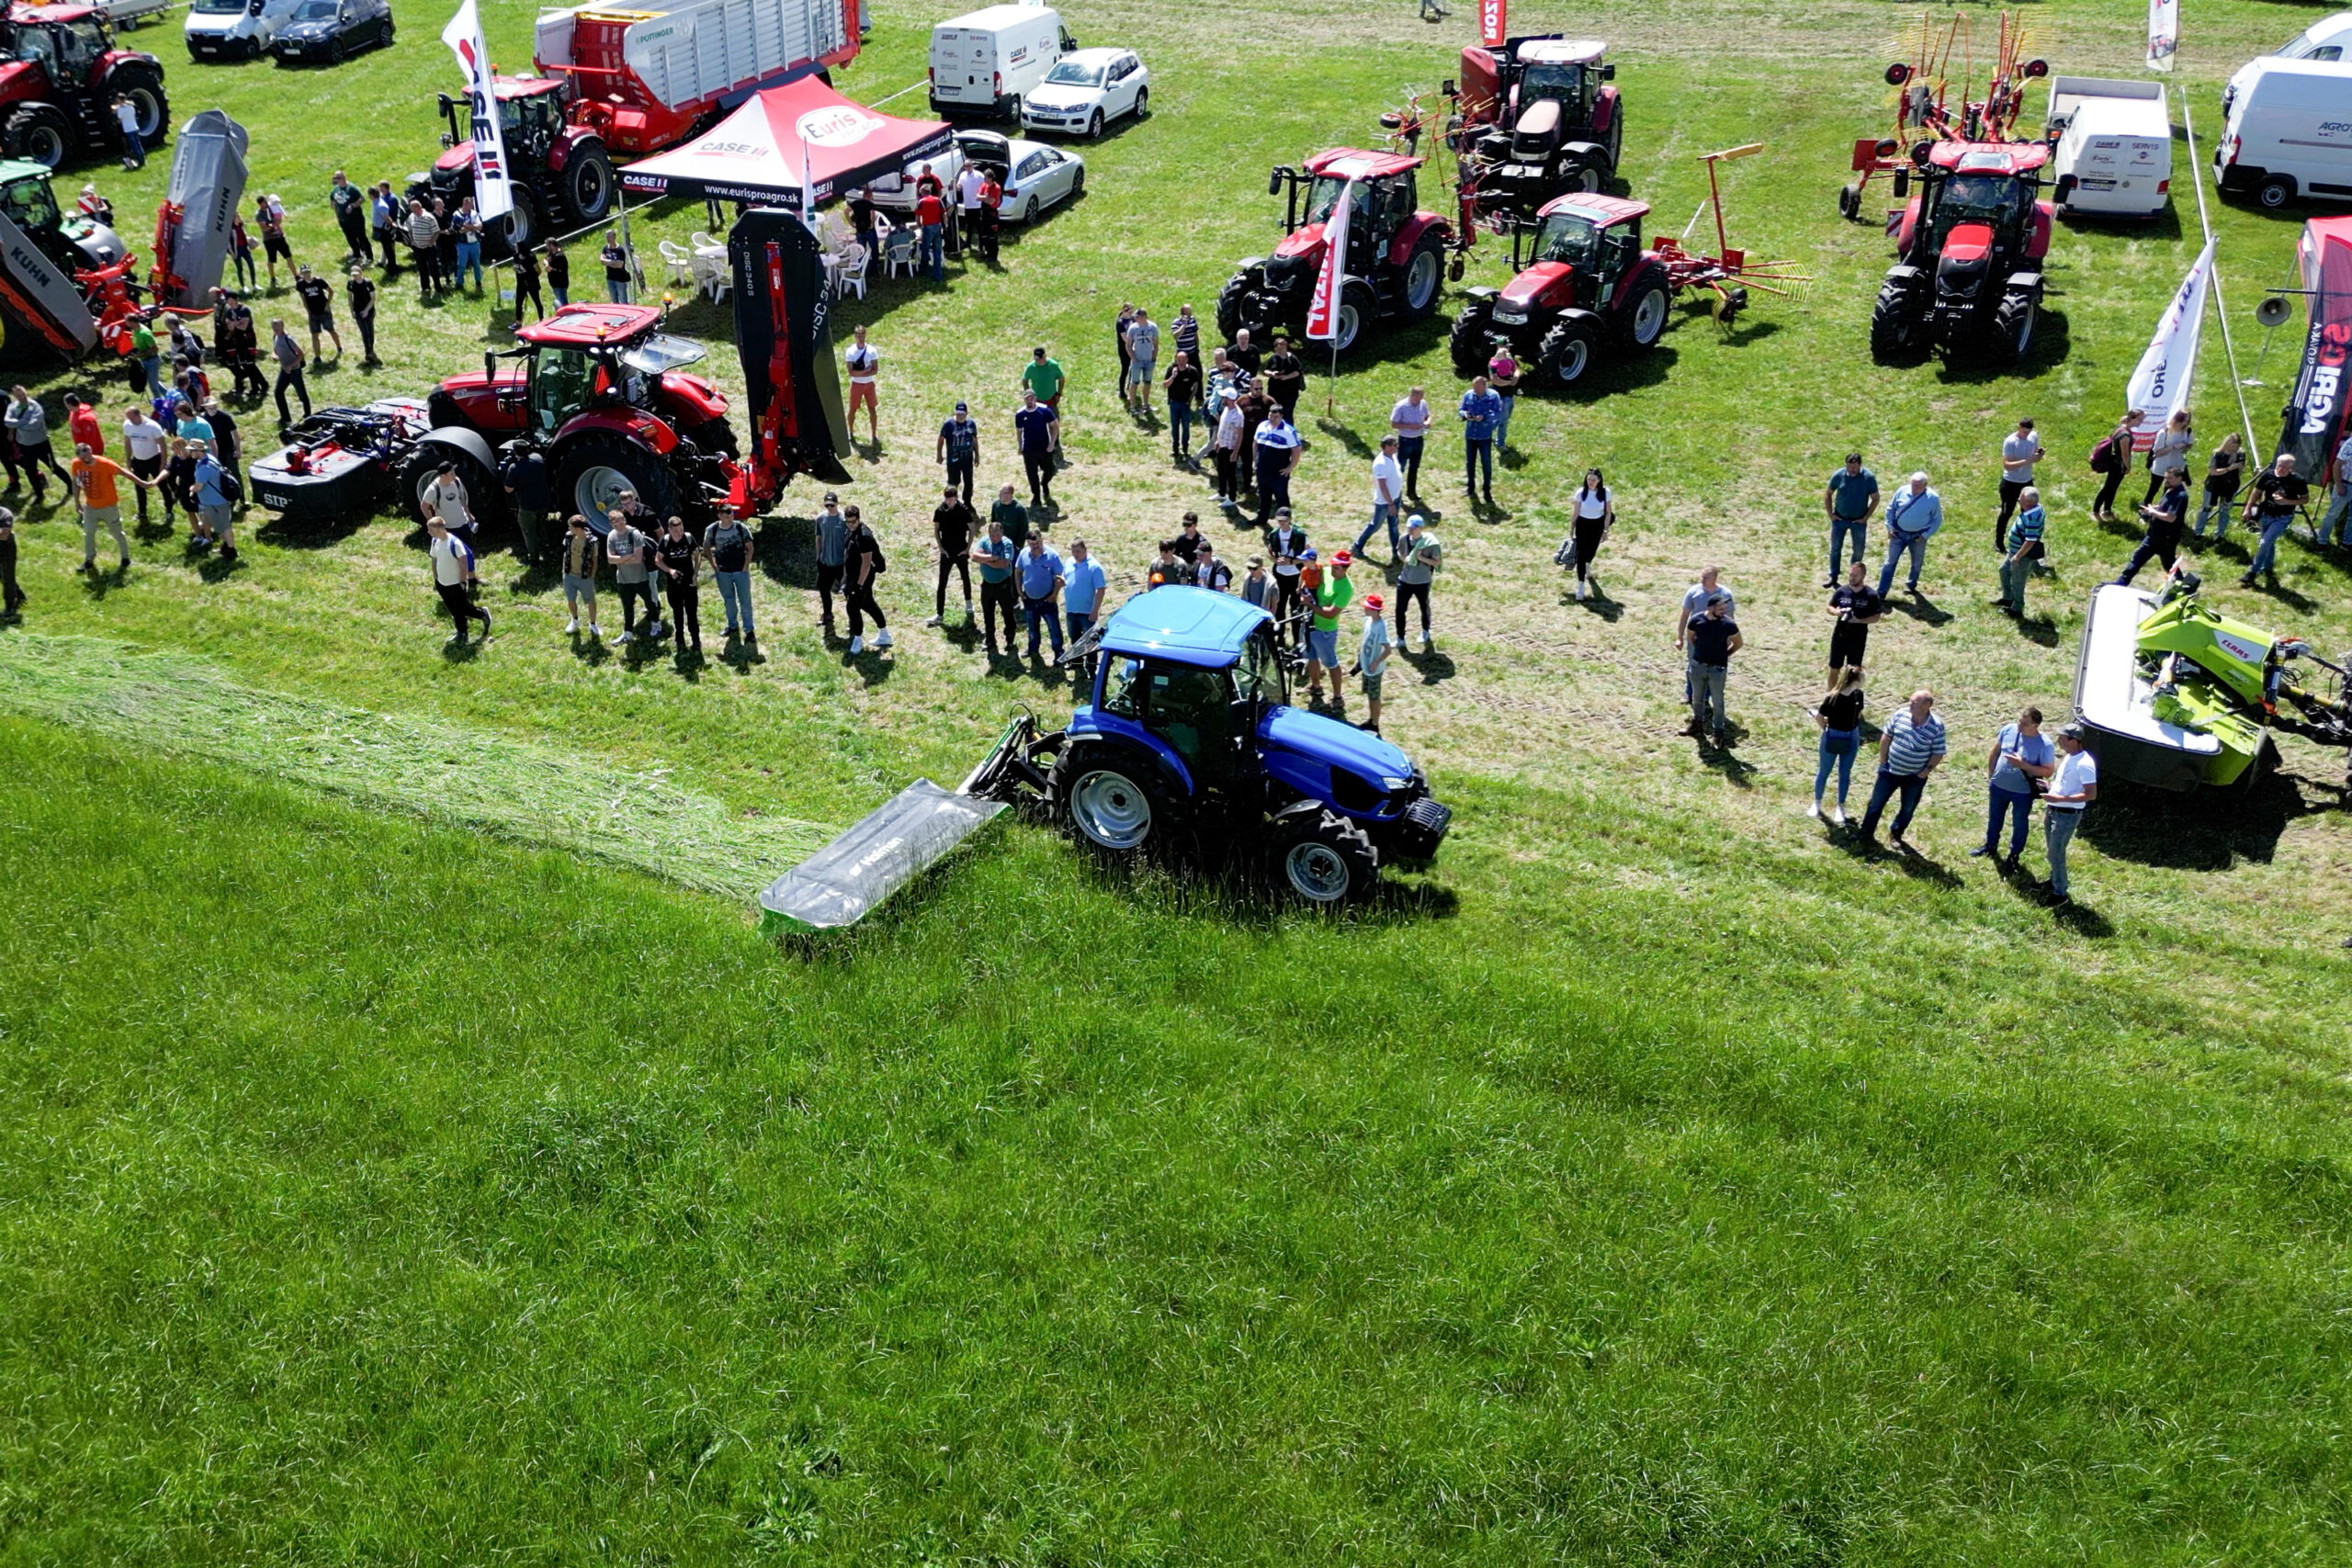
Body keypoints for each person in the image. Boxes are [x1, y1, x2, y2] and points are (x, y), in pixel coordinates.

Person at [1857, 689, 1947, 850]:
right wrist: (1883, 761)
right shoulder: (1900, 715)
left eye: (1914, 702)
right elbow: (1887, 736)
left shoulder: (1936, 726)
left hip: (1914, 777)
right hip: (1889, 772)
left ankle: (1896, 834)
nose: (1910, 704)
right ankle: (1866, 832)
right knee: (1876, 803)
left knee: (1907, 808)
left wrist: (1925, 772)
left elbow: (1938, 752)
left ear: (1927, 705)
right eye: (1910, 701)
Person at [1974, 705, 2054, 869]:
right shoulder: (2009, 730)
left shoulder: (2044, 744)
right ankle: (1990, 846)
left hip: (2022, 792)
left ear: (2035, 725)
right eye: (2019, 720)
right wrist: (1991, 776)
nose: (2019, 725)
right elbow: (1995, 752)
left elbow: (2047, 771)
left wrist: (2022, 765)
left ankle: (2014, 855)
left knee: (2019, 823)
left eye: (2024, 724)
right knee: (1994, 818)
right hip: (1998, 787)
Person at [2037, 722, 2098, 907]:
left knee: (2056, 852)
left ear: (2073, 740)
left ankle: (2060, 892)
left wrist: (2060, 798)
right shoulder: (2069, 757)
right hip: (2054, 810)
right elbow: (2066, 783)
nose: (2059, 741)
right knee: (2052, 850)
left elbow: (2090, 794)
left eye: (2062, 738)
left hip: (2067, 814)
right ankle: (2054, 880)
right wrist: (2049, 788)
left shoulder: (2085, 764)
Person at [71, 441, 148, 571]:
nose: (84, 461)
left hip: (108, 507)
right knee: (88, 533)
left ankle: (125, 558)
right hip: (90, 507)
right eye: (81, 459)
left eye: (86, 457)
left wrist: (142, 483)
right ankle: (89, 560)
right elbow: (76, 483)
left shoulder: (105, 464)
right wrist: (77, 502)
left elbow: (124, 473)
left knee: (117, 532)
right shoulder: (76, 464)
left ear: (90, 452)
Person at [2240, 453, 2309, 586]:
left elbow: (2305, 499)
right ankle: (2268, 567)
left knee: (2264, 542)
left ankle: (2252, 572)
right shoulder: (2268, 476)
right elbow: (2256, 493)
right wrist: (2248, 509)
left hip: (2283, 518)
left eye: (2284, 467)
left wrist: (2286, 502)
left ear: (2291, 469)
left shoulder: (2298, 480)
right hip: (2266, 514)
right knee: (2268, 541)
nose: (2280, 469)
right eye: (2279, 465)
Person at [1811, 665, 1867, 824]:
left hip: (1851, 736)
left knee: (1845, 773)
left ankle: (1840, 806)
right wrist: (1826, 731)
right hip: (1833, 735)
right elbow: (1820, 716)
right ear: (1856, 680)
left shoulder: (1858, 696)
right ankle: (1817, 803)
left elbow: (1858, 714)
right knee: (1824, 771)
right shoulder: (1833, 697)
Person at [424, 515, 492, 644]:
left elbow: (464, 563)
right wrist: (436, 579)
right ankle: (462, 632)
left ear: (439, 530)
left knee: (462, 608)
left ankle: (482, 614)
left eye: (430, 530)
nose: (428, 532)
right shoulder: (435, 541)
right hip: (442, 583)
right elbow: (434, 560)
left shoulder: (454, 543)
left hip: (456, 583)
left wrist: (462, 581)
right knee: (453, 609)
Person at [1685, 591, 1740, 745]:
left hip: (1718, 669)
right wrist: (1700, 651)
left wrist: (1724, 655)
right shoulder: (1696, 620)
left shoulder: (1728, 624)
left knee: (1717, 701)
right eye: (1721, 608)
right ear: (1711, 608)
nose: (1724, 611)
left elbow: (1738, 643)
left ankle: (1718, 733)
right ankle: (1696, 725)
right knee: (1697, 698)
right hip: (1698, 666)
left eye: (1725, 608)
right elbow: (1691, 637)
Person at [2115, 468, 2188, 585]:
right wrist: (2153, 509)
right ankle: (2183, 585)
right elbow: (2164, 508)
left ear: (2179, 478)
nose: (2166, 480)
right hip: (2156, 533)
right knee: (2146, 558)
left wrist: (2152, 513)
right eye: (2165, 477)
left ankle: (2183, 586)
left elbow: (2171, 517)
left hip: (2165, 537)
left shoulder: (2180, 495)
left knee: (2159, 561)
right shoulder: (2170, 490)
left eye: (2170, 478)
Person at [1875, 470, 1942, 599]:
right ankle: (1881, 592)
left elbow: (1937, 520)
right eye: (1912, 484)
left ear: (1925, 486)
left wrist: (1925, 535)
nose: (1913, 488)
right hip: (1898, 534)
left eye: (1917, 486)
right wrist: (1889, 527)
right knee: (1889, 562)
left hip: (1918, 536)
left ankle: (1911, 585)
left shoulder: (1933, 499)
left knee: (1917, 563)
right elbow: (1890, 509)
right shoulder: (1902, 491)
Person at [1821, 451, 1880, 584]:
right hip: (1840, 520)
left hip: (1858, 521)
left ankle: (1854, 577)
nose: (1852, 470)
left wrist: (1865, 518)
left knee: (1858, 551)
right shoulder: (1839, 475)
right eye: (1849, 467)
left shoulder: (1868, 478)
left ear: (1860, 466)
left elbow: (1875, 498)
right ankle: (1833, 575)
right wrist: (1831, 514)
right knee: (1835, 548)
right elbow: (1828, 494)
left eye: (1854, 467)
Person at [841, 503, 890, 655]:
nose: (851, 525)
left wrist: (858, 585)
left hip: (862, 578)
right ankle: (884, 635)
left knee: (852, 608)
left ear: (859, 519)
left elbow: (867, 564)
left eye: (853, 522)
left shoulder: (864, 537)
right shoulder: (851, 531)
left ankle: (857, 639)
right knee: (868, 604)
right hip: (853, 576)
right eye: (848, 522)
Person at [1306, 548, 1355, 702]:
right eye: (1333, 566)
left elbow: (1332, 613)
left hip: (1325, 630)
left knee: (1331, 663)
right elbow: (1309, 580)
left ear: (1345, 569)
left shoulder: (1346, 588)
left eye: (1337, 568)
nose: (1333, 569)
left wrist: (1311, 606)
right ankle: (1316, 686)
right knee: (1311, 656)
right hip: (1310, 623)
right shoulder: (1325, 572)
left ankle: (1337, 696)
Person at [699, 509, 753, 642]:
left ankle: (749, 630)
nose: (730, 519)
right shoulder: (712, 530)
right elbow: (706, 547)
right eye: (727, 517)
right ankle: (732, 626)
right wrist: (713, 565)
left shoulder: (741, 528)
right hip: (723, 573)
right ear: (720, 516)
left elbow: (750, 547)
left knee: (745, 601)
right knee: (729, 600)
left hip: (740, 571)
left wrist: (746, 565)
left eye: (732, 516)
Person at [605, 508, 658, 641]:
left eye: (620, 523)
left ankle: (656, 624)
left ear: (624, 520)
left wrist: (620, 558)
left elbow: (638, 559)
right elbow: (610, 559)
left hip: (640, 577)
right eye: (615, 525)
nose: (618, 527)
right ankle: (627, 632)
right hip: (623, 579)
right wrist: (628, 555)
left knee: (650, 602)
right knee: (627, 606)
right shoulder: (611, 536)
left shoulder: (634, 534)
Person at [7, 387, 67, 502]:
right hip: (25, 445)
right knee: (30, 471)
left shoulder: (34, 407)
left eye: (21, 395)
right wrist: (11, 432)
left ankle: (70, 486)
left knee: (53, 466)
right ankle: (39, 495)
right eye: (17, 395)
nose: (19, 397)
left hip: (40, 443)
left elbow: (32, 424)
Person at [1385, 515, 1436, 651]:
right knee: (1400, 610)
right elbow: (1400, 552)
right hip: (1405, 580)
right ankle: (1400, 638)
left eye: (1413, 528)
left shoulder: (1429, 542)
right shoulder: (1404, 539)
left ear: (1421, 528)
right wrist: (1406, 559)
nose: (1411, 530)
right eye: (1409, 527)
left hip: (1422, 581)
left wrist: (1420, 558)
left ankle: (1425, 632)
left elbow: (1436, 562)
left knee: (1423, 606)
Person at [1825, 560, 1884, 673]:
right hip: (1840, 634)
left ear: (1863, 576)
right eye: (1850, 575)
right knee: (1834, 667)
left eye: (1855, 575)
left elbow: (1876, 617)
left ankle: (1849, 691)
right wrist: (1836, 612)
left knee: (1853, 670)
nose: (1851, 578)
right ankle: (1832, 690)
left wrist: (1859, 620)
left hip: (1858, 636)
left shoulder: (1871, 595)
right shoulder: (1842, 591)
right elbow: (1829, 607)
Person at [654, 514, 703, 654]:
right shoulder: (665, 541)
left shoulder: (688, 538)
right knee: (677, 612)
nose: (679, 533)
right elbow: (658, 560)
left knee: (692, 612)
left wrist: (695, 574)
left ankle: (695, 639)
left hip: (689, 582)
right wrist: (670, 570)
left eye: (681, 530)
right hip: (673, 583)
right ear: (669, 529)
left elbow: (698, 555)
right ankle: (680, 639)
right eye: (676, 531)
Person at [929, 483, 976, 626]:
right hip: (947, 552)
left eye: (952, 498)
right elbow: (936, 530)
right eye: (947, 498)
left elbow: (972, 529)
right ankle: (939, 614)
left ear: (956, 498)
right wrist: (941, 548)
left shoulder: (963, 510)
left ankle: (969, 604)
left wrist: (967, 549)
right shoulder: (940, 511)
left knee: (965, 578)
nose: (949, 501)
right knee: (942, 582)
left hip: (960, 550)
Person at [1354, 434, 1407, 558]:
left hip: (1395, 498)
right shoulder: (1380, 464)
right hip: (1385, 502)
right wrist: (1390, 504)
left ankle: (1396, 551)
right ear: (1387, 447)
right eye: (1395, 445)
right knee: (1375, 526)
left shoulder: (1392, 457)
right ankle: (1357, 546)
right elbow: (1382, 486)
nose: (1397, 447)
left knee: (1394, 526)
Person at [1997, 486, 2046, 616]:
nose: (2018, 500)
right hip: (2014, 550)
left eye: (2020, 500)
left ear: (2028, 504)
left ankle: (2017, 608)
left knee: (2018, 581)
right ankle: (2008, 599)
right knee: (2004, 570)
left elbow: (2030, 541)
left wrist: (2018, 556)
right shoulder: (2036, 507)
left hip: (2021, 554)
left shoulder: (2032, 518)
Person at [1996, 417, 2043, 550]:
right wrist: (2028, 460)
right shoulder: (2010, 442)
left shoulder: (2033, 437)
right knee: (2007, 513)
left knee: (2029, 513)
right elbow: (2007, 465)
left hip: (2026, 482)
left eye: (2028, 432)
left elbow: (2035, 456)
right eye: (2023, 432)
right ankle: (1999, 541)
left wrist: (2039, 456)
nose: (2026, 435)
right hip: (2010, 483)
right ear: (2019, 427)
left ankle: (2026, 543)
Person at [500, 441, 551, 566]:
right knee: (540, 524)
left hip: (527, 506)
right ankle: (546, 547)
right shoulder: (538, 459)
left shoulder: (515, 468)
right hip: (543, 502)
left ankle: (534, 558)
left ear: (515, 452)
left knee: (529, 532)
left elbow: (508, 488)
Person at [1565, 468, 1611, 602]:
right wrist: (1571, 531)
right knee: (1581, 556)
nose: (1590, 482)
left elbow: (1608, 513)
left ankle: (1588, 565)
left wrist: (1605, 530)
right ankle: (1580, 585)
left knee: (1591, 552)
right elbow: (1575, 513)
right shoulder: (1581, 493)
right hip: (1582, 525)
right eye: (1589, 479)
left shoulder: (1605, 493)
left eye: (1593, 480)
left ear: (1599, 481)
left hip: (1596, 525)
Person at [1252, 403, 1303, 525]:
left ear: (1281, 417)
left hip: (1279, 472)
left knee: (1281, 497)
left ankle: (1285, 521)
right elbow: (1255, 443)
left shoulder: (1288, 431)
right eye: (1271, 416)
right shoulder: (1262, 426)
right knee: (1264, 495)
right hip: (1263, 469)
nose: (1272, 419)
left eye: (1276, 417)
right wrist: (1255, 460)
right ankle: (1261, 518)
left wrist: (1290, 467)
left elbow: (1296, 450)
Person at [2192, 432, 2248, 542]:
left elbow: (2240, 471)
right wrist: (2229, 468)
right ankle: (2198, 532)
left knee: (2225, 510)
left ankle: (2220, 534)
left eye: (2236, 447)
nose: (2234, 449)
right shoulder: (2217, 454)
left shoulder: (2240, 454)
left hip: (2230, 487)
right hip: (2213, 485)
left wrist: (2238, 468)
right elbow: (2213, 472)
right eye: (2232, 447)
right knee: (2206, 508)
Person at [1018, 530, 1065, 660]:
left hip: (1047, 599)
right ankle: (1033, 649)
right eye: (1032, 544)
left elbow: (1060, 577)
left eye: (1037, 543)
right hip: (1029, 599)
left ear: (1042, 539)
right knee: (1032, 626)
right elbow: (1018, 572)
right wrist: (1019, 591)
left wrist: (1055, 594)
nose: (1035, 546)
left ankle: (1059, 652)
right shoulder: (1023, 554)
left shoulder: (1052, 555)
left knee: (1053, 627)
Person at [211, 288, 265, 400]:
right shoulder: (230, 311)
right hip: (238, 339)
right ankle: (260, 385)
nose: (229, 303)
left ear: (235, 299)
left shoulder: (244, 310)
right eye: (228, 301)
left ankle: (258, 386)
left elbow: (244, 326)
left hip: (248, 338)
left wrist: (234, 324)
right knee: (244, 364)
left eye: (231, 300)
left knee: (250, 363)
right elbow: (230, 326)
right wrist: (236, 323)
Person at [189, 440, 236, 562]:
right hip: (215, 500)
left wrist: (191, 488)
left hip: (215, 502)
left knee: (225, 527)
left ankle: (231, 551)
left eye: (193, 450)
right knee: (221, 527)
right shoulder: (210, 458)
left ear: (199, 451)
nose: (191, 452)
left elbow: (199, 486)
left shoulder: (204, 467)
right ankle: (226, 547)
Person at [1673, 565, 1733, 658]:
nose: (1702, 580)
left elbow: (1730, 618)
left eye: (1706, 578)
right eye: (1702, 577)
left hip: (1718, 636)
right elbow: (1684, 615)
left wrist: (1728, 639)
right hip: (1697, 636)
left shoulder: (1725, 594)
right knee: (1695, 664)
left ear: (1714, 578)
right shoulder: (1693, 592)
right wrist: (1679, 637)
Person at [1458, 375, 1501, 502]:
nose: (1475, 390)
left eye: (1477, 388)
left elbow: (1497, 413)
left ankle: (1486, 489)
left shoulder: (1493, 396)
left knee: (1486, 463)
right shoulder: (1469, 395)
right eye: (1474, 387)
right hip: (1471, 434)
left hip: (1484, 435)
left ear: (1484, 386)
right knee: (1470, 462)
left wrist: (1485, 417)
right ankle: (1470, 487)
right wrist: (1464, 414)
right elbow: (1461, 409)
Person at [2090, 409, 2138, 523]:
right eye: (2140, 419)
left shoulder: (2122, 427)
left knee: (2112, 488)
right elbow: (2125, 455)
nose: (2142, 421)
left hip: (2114, 462)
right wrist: (2128, 467)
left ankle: (2107, 510)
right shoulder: (2125, 435)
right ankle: (2095, 512)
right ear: (2133, 419)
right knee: (2108, 488)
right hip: (2118, 465)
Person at [121, 402, 165, 525]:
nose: (129, 421)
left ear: (138, 415)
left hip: (154, 459)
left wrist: (163, 464)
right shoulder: (127, 425)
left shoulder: (152, 426)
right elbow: (127, 442)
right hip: (138, 460)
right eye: (128, 418)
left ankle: (169, 510)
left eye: (131, 418)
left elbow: (163, 445)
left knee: (162, 486)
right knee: (139, 487)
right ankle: (142, 512)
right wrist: (128, 459)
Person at [559, 513, 603, 637]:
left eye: (570, 527)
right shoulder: (569, 537)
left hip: (584, 577)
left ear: (578, 528)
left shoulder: (592, 542)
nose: (569, 529)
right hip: (569, 575)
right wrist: (564, 571)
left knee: (590, 601)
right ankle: (574, 620)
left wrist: (591, 578)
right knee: (571, 600)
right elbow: (565, 553)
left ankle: (593, 624)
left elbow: (595, 562)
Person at [1013, 389, 1058, 510]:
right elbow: (1019, 431)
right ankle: (1036, 497)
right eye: (1027, 399)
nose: (1029, 401)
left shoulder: (1044, 410)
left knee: (1051, 469)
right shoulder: (1020, 414)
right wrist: (1020, 446)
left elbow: (1054, 425)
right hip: (1029, 449)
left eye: (1031, 398)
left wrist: (1052, 443)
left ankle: (1045, 484)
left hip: (1044, 447)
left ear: (1035, 399)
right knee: (1032, 474)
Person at [1265, 507, 1308, 628]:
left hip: (1295, 575)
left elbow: (1308, 554)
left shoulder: (1299, 534)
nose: (1281, 523)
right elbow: (1269, 552)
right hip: (1280, 575)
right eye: (1279, 520)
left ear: (1289, 519)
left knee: (1295, 608)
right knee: (1279, 606)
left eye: (1284, 520)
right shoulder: (1274, 534)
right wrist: (1276, 560)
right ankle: (1280, 637)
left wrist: (1292, 561)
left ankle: (1296, 638)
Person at [2143, 407, 2193, 508]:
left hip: (2176, 465)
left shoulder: (2187, 432)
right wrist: (2173, 447)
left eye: (2187, 421)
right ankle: (2144, 509)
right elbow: (2157, 452)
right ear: (2176, 419)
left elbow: (2189, 445)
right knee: (2154, 488)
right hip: (2161, 466)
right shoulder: (2164, 432)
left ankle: (2162, 508)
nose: (2184, 424)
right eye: (2183, 421)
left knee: (2170, 490)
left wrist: (2186, 447)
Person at [1356, 592, 1393, 732]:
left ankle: (1375, 723)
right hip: (1366, 665)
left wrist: (1376, 662)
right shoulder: (1368, 621)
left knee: (1374, 696)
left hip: (1373, 669)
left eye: (1367, 607)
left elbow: (1388, 649)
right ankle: (1371, 719)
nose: (1364, 609)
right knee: (1370, 695)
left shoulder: (1381, 626)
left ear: (1375, 610)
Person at [813, 490, 847, 637]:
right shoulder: (820, 519)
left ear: (837, 504)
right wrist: (818, 556)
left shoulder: (843, 520)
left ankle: (853, 620)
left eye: (832, 505)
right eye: (827, 505)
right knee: (823, 589)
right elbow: (818, 538)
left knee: (847, 592)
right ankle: (827, 614)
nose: (829, 508)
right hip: (825, 562)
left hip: (841, 564)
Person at [1021, 346, 1064, 461]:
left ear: (1045, 356)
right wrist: (1028, 394)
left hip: (1050, 400)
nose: (1038, 361)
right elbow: (1024, 380)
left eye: (1040, 359)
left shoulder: (1053, 365)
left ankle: (1055, 446)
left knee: (1054, 423)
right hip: (1037, 402)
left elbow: (1061, 378)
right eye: (1036, 359)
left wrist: (1059, 394)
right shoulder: (1031, 367)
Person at [1063, 536, 1104, 654]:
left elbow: (1100, 590)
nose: (1075, 554)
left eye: (1078, 552)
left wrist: (1095, 611)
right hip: (1071, 611)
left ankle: (1091, 669)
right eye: (1073, 552)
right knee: (1074, 640)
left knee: (1090, 642)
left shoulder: (1094, 567)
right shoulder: (1069, 562)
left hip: (1087, 613)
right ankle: (1077, 664)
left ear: (1085, 550)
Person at [292, 265, 341, 362]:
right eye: (304, 272)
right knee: (314, 334)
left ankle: (339, 347)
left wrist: (327, 304)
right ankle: (317, 357)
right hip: (313, 313)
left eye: (307, 272)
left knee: (331, 330)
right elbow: (303, 298)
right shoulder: (300, 285)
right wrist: (307, 310)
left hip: (323, 311)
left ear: (310, 272)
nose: (306, 274)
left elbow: (330, 291)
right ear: (301, 274)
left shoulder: (319, 281)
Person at [1390, 386, 1431, 498]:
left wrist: (1427, 422)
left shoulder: (1423, 403)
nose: (1419, 401)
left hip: (1418, 439)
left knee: (1414, 467)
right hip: (1405, 440)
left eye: (1421, 398)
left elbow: (1428, 416)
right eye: (1417, 398)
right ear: (1411, 395)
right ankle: (1395, 492)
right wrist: (1409, 426)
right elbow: (1394, 424)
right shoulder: (1401, 406)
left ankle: (1411, 492)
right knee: (1400, 467)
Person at [935, 395, 977, 502]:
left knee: (968, 482)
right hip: (953, 460)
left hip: (967, 459)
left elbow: (974, 440)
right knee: (953, 482)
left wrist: (977, 455)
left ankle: (967, 503)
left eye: (962, 414)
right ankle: (951, 502)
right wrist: (939, 455)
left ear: (966, 414)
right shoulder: (948, 424)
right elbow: (941, 440)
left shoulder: (971, 424)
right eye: (958, 414)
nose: (960, 416)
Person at [844, 325, 880, 446]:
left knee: (872, 409)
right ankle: (850, 432)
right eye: (858, 336)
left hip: (869, 384)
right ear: (855, 336)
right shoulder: (850, 351)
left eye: (862, 336)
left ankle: (874, 435)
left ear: (865, 336)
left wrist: (860, 373)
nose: (860, 338)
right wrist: (866, 371)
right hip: (856, 385)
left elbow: (875, 370)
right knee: (852, 409)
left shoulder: (872, 350)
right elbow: (851, 372)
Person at [2318, 424, 2352, 548]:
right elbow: (2336, 466)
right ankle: (2322, 540)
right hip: (2345, 484)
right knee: (2333, 514)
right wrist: (2339, 485)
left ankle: (2347, 542)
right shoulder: (2350, 444)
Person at [1163, 350, 1200, 464]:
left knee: (1186, 427)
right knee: (1175, 426)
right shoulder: (1171, 370)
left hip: (1185, 404)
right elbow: (1165, 385)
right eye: (1179, 360)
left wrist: (1190, 399)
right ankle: (1175, 447)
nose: (1181, 362)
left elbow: (1196, 386)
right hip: (1174, 403)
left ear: (1187, 360)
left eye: (1183, 360)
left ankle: (1185, 447)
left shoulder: (1192, 371)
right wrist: (1173, 377)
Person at [1209, 388, 1246, 503]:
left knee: (1230, 474)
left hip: (1230, 448)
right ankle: (1222, 492)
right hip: (1222, 445)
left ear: (1230, 399)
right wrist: (1218, 441)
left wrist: (1235, 452)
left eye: (1224, 397)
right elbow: (1223, 426)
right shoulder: (1226, 410)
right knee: (1221, 470)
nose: (1222, 399)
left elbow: (1240, 435)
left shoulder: (1238, 415)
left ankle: (1232, 498)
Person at [1125, 308, 1159, 415]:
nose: (1135, 318)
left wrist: (1154, 356)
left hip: (1148, 359)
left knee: (1147, 382)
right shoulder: (1133, 328)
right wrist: (1133, 357)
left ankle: (1146, 404)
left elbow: (1156, 343)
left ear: (1143, 317)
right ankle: (1133, 406)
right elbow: (1128, 344)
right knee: (1134, 382)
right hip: (1137, 360)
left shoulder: (1152, 327)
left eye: (1137, 317)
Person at [329, 170, 368, 263]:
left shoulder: (352, 188)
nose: (337, 180)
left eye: (339, 178)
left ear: (344, 178)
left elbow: (362, 199)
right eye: (336, 178)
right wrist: (337, 214)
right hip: (343, 219)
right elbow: (333, 201)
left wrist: (352, 205)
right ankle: (357, 254)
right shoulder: (335, 190)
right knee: (350, 237)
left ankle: (367, 255)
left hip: (356, 218)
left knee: (361, 236)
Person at [344, 265, 379, 367]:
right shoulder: (350, 284)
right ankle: (368, 352)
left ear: (361, 273)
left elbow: (373, 298)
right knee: (364, 332)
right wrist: (352, 311)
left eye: (357, 275)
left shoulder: (368, 283)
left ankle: (370, 350)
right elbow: (350, 298)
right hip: (358, 310)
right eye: (353, 275)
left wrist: (367, 310)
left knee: (370, 331)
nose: (355, 277)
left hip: (369, 310)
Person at [405, 200, 440, 302]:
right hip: (417, 248)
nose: (411, 211)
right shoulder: (411, 217)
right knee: (422, 268)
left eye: (412, 208)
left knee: (433, 267)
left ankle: (438, 287)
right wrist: (412, 240)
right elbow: (409, 228)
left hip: (429, 248)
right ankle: (425, 286)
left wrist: (431, 242)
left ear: (417, 207)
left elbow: (436, 231)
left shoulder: (429, 217)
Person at [1487, 347, 1521, 451]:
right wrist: (1510, 382)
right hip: (1500, 397)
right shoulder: (1493, 364)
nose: (1507, 350)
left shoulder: (1510, 359)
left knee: (1505, 418)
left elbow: (1517, 369)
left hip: (1509, 396)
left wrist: (1516, 377)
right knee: (1501, 421)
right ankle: (1499, 442)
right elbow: (1495, 380)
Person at [1264, 334, 1305, 418]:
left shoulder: (1292, 358)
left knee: (1287, 413)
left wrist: (1286, 377)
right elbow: (1265, 371)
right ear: (1275, 347)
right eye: (1279, 345)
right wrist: (1272, 374)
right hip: (1274, 390)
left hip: (1290, 392)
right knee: (1274, 411)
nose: (1281, 347)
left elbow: (1298, 372)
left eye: (1284, 344)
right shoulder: (1273, 358)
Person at [256, 194, 291, 289]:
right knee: (271, 259)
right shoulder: (259, 215)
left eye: (266, 202)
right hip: (269, 240)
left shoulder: (270, 209)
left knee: (288, 256)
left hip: (279, 237)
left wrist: (278, 227)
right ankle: (272, 278)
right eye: (264, 203)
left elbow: (277, 219)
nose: (266, 204)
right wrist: (272, 226)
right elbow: (264, 229)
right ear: (260, 204)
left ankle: (296, 275)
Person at [915, 182, 945, 283]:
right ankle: (938, 274)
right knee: (937, 250)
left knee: (925, 248)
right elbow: (944, 214)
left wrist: (920, 226)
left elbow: (918, 217)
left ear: (923, 192)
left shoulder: (921, 202)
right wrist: (945, 226)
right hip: (937, 226)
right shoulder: (938, 200)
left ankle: (924, 269)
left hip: (927, 227)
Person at [129, 314, 163, 398]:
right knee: (154, 382)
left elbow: (154, 349)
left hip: (152, 361)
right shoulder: (135, 331)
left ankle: (159, 406)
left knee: (153, 387)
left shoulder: (145, 333)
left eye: (127, 322)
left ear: (132, 322)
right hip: (144, 360)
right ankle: (169, 397)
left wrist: (140, 354)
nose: (126, 324)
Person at [511, 240, 544, 323]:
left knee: (536, 301)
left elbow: (539, 270)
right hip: (521, 283)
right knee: (518, 302)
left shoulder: (531, 256)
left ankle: (541, 319)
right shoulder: (516, 256)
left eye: (516, 247)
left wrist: (532, 277)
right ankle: (518, 320)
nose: (515, 248)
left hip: (531, 282)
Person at [989, 481, 1029, 549]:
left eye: (1002, 493)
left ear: (1009, 494)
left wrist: (1019, 545)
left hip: (1013, 544)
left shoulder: (1019, 509)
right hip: (998, 542)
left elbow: (1024, 529)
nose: (999, 495)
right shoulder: (996, 504)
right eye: (1000, 492)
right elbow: (993, 522)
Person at [369, 181, 401, 270]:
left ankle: (391, 263)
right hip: (384, 224)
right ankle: (383, 261)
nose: (379, 189)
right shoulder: (381, 197)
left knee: (390, 245)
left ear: (385, 187)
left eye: (381, 187)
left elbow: (392, 213)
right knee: (385, 245)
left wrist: (391, 223)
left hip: (389, 223)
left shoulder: (392, 199)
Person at [600, 229, 631, 303]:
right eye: (607, 237)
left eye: (610, 237)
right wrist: (613, 262)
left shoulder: (620, 250)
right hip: (610, 278)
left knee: (623, 300)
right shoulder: (605, 248)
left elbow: (620, 265)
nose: (608, 239)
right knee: (614, 301)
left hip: (620, 279)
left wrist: (608, 262)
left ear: (614, 237)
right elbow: (602, 260)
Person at [229, 211, 257, 289]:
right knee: (240, 268)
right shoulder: (231, 228)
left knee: (251, 265)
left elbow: (244, 235)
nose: (239, 218)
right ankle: (243, 286)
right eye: (237, 217)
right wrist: (231, 252)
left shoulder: (241, 226)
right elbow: (227, 242)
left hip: (244, 248)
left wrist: (249, 241)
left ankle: (254, 284)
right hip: (236, 250)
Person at [115, 94, 143, 171]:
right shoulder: (131, 107)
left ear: (120, 100)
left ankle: (139, 161)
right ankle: (142, 160)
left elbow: (119, 120)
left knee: (134, 146)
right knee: (138, 144)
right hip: (135, 127)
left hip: (128, 130)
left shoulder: (121, 110)